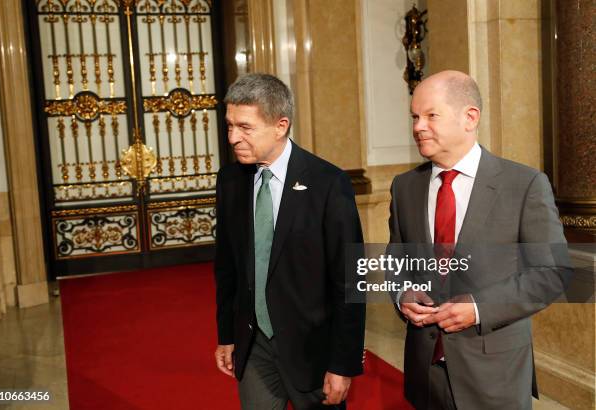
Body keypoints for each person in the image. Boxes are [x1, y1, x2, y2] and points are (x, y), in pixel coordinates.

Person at [388, 70, 572, 409]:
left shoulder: (524, 184)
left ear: (469, 117)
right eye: (415, 116)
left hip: (494, 375)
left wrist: (477, 308)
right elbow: (396, 262)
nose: (418, 126)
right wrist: (402, 294)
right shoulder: (404, 187)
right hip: (425, 373)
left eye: (431, 115)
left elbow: (552, 272)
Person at [214, 73, 365, 409]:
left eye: (245, 127)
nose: (233, 137)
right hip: (254, 347)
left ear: (280, 126)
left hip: (313, 351)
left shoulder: (329, 183)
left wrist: (343, 363)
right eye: (229, 126)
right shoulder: (229, 181)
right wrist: (226, 334)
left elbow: (350, 281)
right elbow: (227, 267)